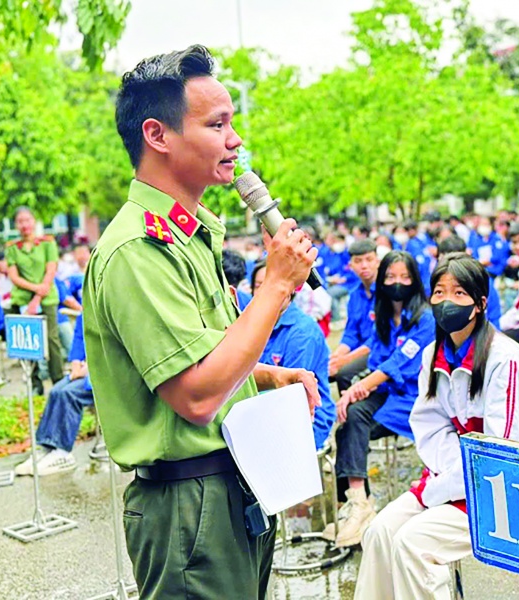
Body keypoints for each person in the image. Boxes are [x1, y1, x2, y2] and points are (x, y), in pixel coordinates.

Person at [82, 45, 320, 599]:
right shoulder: (137, 250)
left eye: (232, 122)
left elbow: (207, 353)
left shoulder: (190, 234)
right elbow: (193, 396)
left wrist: (262, 375)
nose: (235, 140)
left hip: (235, 483)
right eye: (217, 124)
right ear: (158, 135)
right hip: (188, 507)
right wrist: (279, 285)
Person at [355, 253, 519, 600]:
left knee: (411, 543)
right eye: (440, 292)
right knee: (379, 532)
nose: (447, 302)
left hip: (509, 487)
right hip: (456, 479)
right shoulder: (433, 354)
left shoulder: (504, 357)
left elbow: (498, 453)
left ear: (480, 304)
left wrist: (443, 488)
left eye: (459, 294)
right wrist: (445, 482)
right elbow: (431, 428)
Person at [331, 250, 435, 548]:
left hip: (415, 398)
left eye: (404, 277)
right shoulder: (383, 316)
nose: (397, 283)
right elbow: (377, 357)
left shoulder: (425, 319)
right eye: (390, 277)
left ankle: (356, 505)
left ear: (415, 280)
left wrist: (358, 386)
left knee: (351, 420)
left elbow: (398, 363)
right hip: (389, 394)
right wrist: (357, 387)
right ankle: (357, 501)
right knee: (349, 420)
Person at [244, 260, 335, 450]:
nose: (264, 293)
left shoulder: (302, 333)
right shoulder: (252, 325)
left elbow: (292, 394)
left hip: (305, 419)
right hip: (261, 412)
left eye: (273, 286)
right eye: (259, 286)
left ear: (291, 289)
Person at [13, 311, 91, 476]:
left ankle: (63, 452)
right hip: (85, 371)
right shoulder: (86, 311)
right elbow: (78, 341)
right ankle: (47, 448)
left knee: (69, 394)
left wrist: (91, 367)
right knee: (56, 391)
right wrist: (76, 364)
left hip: (106, 373)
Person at [6, 206, 64, 396]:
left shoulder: (47, 244)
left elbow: (51, 270)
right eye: (20, 221)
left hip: (47, 298)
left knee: (51, 339)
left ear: (34, 221)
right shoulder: (12, 248)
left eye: (27, 220)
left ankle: (58, 381)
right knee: (27, 342)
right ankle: (35, 384)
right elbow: (14, 276)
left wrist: (39, 295)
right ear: (16, 225)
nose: (24, 225)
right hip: (22, 298)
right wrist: (34, 290)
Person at [329, 239, 379, 392]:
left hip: (378, 350)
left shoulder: (386, 293)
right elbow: (351, 333)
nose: (364, 265)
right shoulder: (355, 295)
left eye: (369, 260)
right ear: (350, 265)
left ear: (377, 261)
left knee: (344, 373)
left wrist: (345, 360)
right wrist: (337, 356)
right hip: (360, 349)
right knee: (324, 369)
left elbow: (378, 339)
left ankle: (348, 412)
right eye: (358, 261)